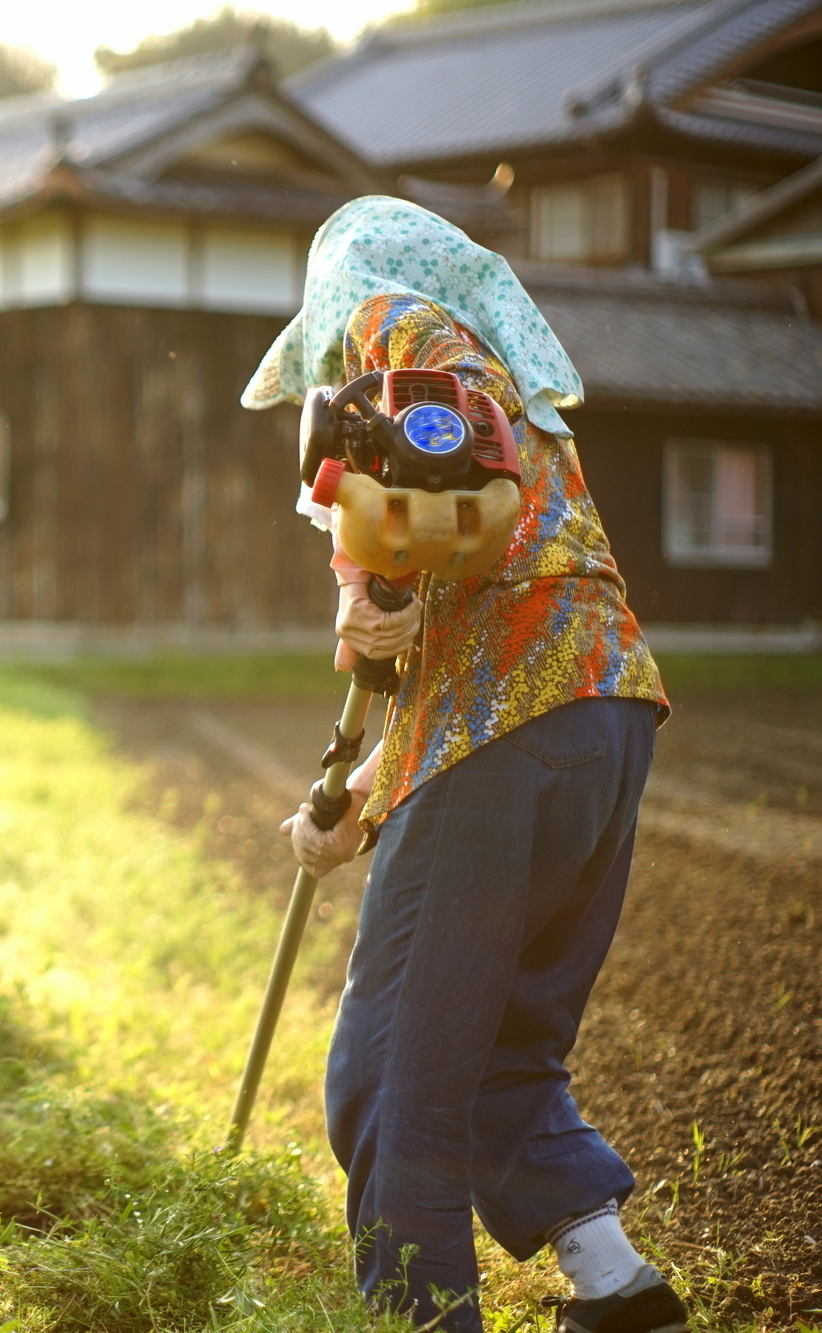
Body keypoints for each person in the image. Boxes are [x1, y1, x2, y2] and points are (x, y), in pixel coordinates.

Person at [243, 197, 682, 1333]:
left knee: (392, 1081)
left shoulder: (398, 324)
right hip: (605, 711)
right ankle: (613, 1285)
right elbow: (472, 629)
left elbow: (418, 503)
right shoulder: (517, 393)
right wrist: (362, 796)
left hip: (506, 734)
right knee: (499, 1052)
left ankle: (421, 1320)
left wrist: (361, 584)